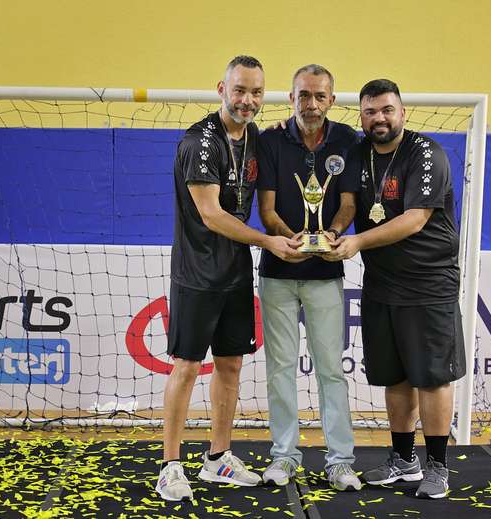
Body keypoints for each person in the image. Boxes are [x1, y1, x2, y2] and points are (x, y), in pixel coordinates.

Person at [156, 55, 302, 502]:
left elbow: (283, 134)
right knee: (185, 367)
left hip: (235, 274)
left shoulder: (255, 137)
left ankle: (218, 458)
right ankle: (170, 464)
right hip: (197, 275)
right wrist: (267, 241)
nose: (248, 100)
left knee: (231, 365)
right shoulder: (200, 143)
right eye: (239, 90)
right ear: (222, 89)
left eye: (256, 92)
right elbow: (212, 214)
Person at [323, 79, 466, 499]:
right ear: (361, 116)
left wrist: (357, 242)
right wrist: (334, 232)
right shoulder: (358, 153)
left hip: (428, 283)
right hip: (382, 282)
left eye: (387, 109)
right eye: (370, 111)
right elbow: (349, 205)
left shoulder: (427, 154)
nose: (379, 118)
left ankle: (438, 467)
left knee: (433, 377)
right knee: (395, 376)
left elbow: (416, 218)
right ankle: (404, 459)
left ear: (402, 111)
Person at [256, 64, 362, 491]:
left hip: (326, 273)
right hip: (279, 271)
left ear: (332, 100)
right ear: (291, 97)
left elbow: (350, 203)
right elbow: (265, 210)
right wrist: (292, 239)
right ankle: (284, 456)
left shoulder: (348, 140)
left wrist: (330, 235)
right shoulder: (269, 140)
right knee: (280, 368)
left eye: (320, 96)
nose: (312, 104)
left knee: (331, 370)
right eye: (304, 96)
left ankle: (339, 460)